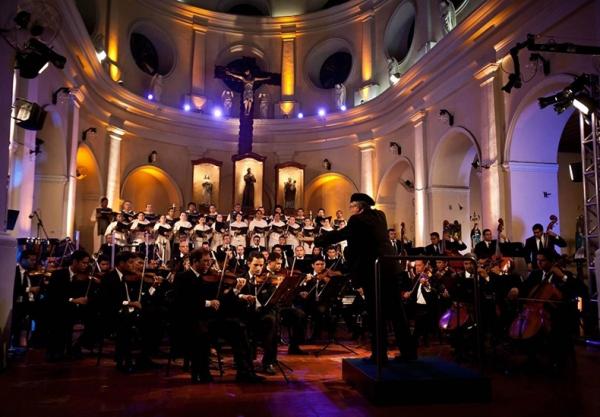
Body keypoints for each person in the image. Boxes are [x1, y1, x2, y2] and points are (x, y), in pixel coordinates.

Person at [315, 193, 416, 362]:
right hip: (390, 269)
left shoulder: (357, 220)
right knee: (398, 312)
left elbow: (342, 234)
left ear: (359, 207)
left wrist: (319, 240)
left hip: (373, 271)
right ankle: (409, 353)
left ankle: (379, 355)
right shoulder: (380, 215)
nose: (351, 210)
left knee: (376, 313)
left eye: (352, 207)